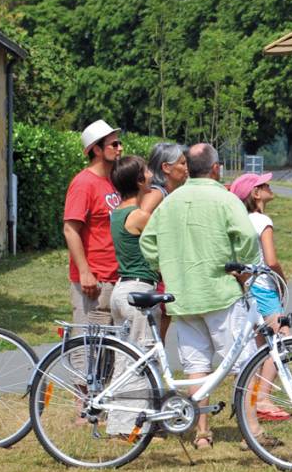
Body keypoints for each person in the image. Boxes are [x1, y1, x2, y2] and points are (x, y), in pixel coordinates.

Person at [139, 143, 263, 450]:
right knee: (243, 361)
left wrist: (166, 266)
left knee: (196, 364)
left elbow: (148, 242)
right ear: (216, 168)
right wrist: (243, 268)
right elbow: (247, 237)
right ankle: (252, 431)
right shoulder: (225, 198)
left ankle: (202, 431)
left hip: (182, 295)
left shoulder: (171, 200)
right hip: (220, 290)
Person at [230, 172, 291, 423]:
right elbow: (272, 259)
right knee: (281, 340)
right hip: (265, 287)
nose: (269, 186)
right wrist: (282, 281)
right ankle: (263, 398)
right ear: (256, 194)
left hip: (245, 288)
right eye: (263, 185)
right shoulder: (262, 220)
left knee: (257, 346)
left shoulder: (239, 221)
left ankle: (252, 399)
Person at [107, 155, 159, 435]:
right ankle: (136, 425)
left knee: (125, 359)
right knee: (142, 358)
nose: (151, 176)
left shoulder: (116, 213)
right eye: (147, 172)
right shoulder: (139, 216)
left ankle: (118, 422)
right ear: (139, 181)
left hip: (121, 289)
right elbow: (162, 245)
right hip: (139, 290)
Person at [64, 119, 123, 331]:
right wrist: (84, 272)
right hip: (94, 281)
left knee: (109, 353)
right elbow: (70, 229)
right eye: (114, 144)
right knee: (88, 353)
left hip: (115, 277)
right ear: (97, 149)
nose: (120, 148)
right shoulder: (83, 183)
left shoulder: (113, 181)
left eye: (119, 143)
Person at [141, 142, 188, 339]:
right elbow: (140, 216)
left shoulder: (170, 193)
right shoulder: (157, 193)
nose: (187, 168)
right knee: (156, 329)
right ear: (166, 168)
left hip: (163, 270)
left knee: (164, 320)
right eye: (182, 163)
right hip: (154, 272)